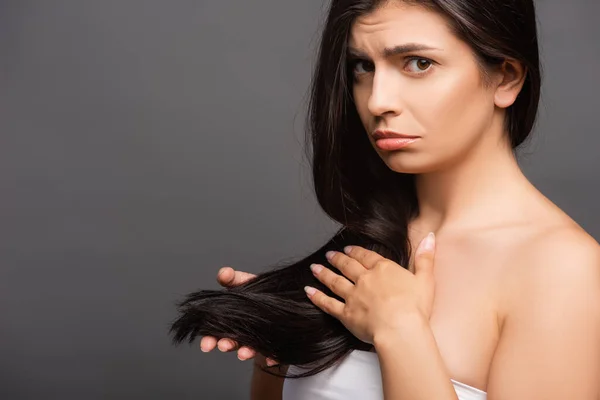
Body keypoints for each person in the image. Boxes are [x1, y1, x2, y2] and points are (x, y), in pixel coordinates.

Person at [171, 0, 600, 398]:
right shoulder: (360, 248)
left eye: (418, 63)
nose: (378, 100)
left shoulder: (564, 270)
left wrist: (399, 330)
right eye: (362, 66)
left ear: (506, 77)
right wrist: (281, 336)